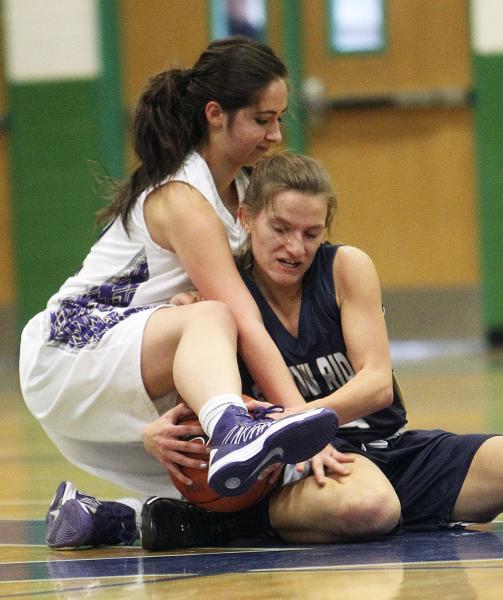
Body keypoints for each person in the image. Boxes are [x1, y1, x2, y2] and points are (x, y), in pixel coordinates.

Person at [46, 152, 503, 551]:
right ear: (246, 219)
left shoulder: (345, 267)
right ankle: (210, 519)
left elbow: (377, 385)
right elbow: (203, 400)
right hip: (305, 467)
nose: (295, 247)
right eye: (280, 228)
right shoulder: (215, 300)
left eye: (311, 233)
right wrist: (150, 433)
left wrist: (297, 423)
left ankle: (214, 523)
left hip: (393, 445)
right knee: (370, 507)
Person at [19, 39, 340, 548]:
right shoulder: (183, 197)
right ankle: (230, 424)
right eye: (262, 119)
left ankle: (109, 516)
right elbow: (242, 317)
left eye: (279, 118)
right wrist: (302, 417)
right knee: (215, 320)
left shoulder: (245, 191)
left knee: (234, 481)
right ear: (216, 114)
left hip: (139, 359)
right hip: (72, 348)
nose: (276, 134)